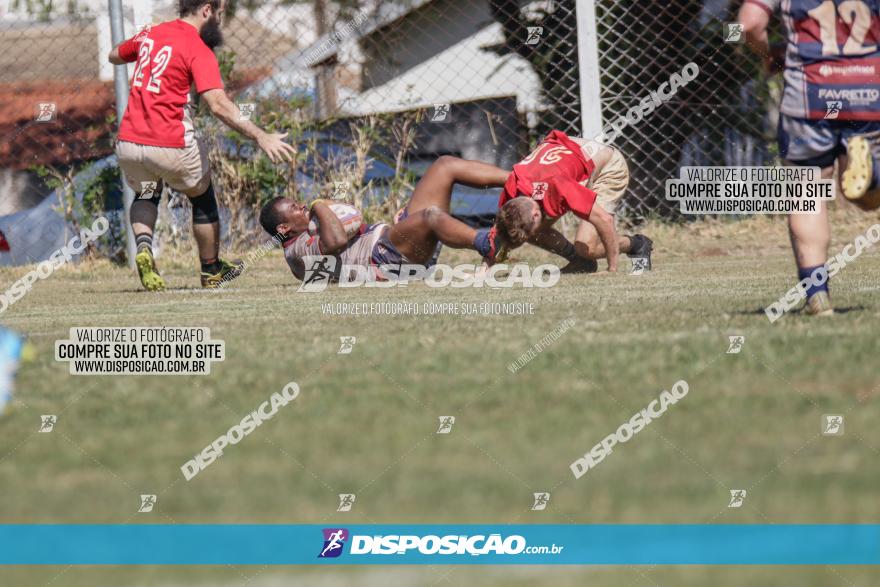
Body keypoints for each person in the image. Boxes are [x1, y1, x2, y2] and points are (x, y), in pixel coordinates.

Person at [108, 0, 295, 290]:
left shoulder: (152, 34)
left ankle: (144, 248)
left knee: (147, 192)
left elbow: (113, 56)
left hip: (129, 143)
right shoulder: (198, 48)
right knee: (201, 195)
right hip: (170, 143)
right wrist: (261, 136)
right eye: (220, 13)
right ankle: (211, 268)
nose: (220, 21)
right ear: (207, 10)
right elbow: (218, 105)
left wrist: (144, 43)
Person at [739, 0, 880, 316]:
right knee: (863, 196)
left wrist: (769, 53)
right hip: (867, 90)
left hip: (809, 97)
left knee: (805, 191)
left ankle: (817, 296)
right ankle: (872, 177)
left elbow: (748, 24)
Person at [259, 156, 527, 283]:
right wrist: (319, 204)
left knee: (445, 167)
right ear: (284, 228)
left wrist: (396, 225)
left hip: (393, 242)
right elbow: (337, 241)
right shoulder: (296, 251)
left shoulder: (309, 231)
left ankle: (525, 178)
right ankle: (489, 245)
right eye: (296, 207)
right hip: (389, 260)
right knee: (431, 216)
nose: (303, 205)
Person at [496, 130, 653, 273]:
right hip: (572, 157)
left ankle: (636, 244)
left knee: (586, 248)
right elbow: (499, 231)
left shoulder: (558, 186)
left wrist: (612, 269)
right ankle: (581, 263)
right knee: (532, 231)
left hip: (607, 167)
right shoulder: (512, 187)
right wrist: (486, 267)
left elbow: (605, 220)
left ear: (536, 214)